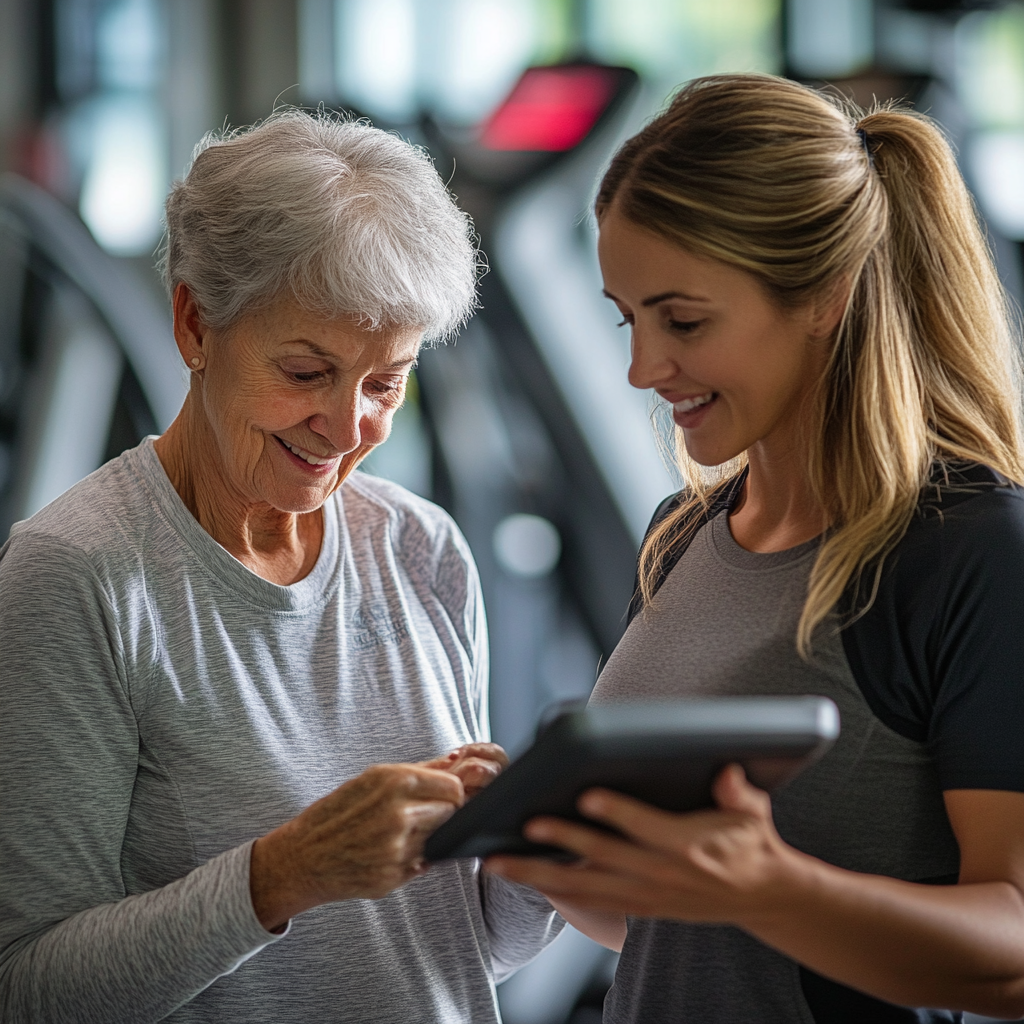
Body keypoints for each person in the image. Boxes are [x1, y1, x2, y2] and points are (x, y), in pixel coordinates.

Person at [0, 110, 561, 1023]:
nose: (347, 431)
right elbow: (27, 989)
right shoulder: (76, 576)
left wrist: (531, 861)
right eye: (307, 373)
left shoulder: (423, 548)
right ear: (194, 323)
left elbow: (455, 952)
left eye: (386, 383)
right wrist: (280, 877)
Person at [489, 73, 1024, 1023]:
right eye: (629, 319)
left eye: (684, 321)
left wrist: (768, 886)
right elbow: (669, 924)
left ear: (825, 294)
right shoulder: (679, 535)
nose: (643, 368)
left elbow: (1014, 947)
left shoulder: (971, 551)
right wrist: (551, 845)